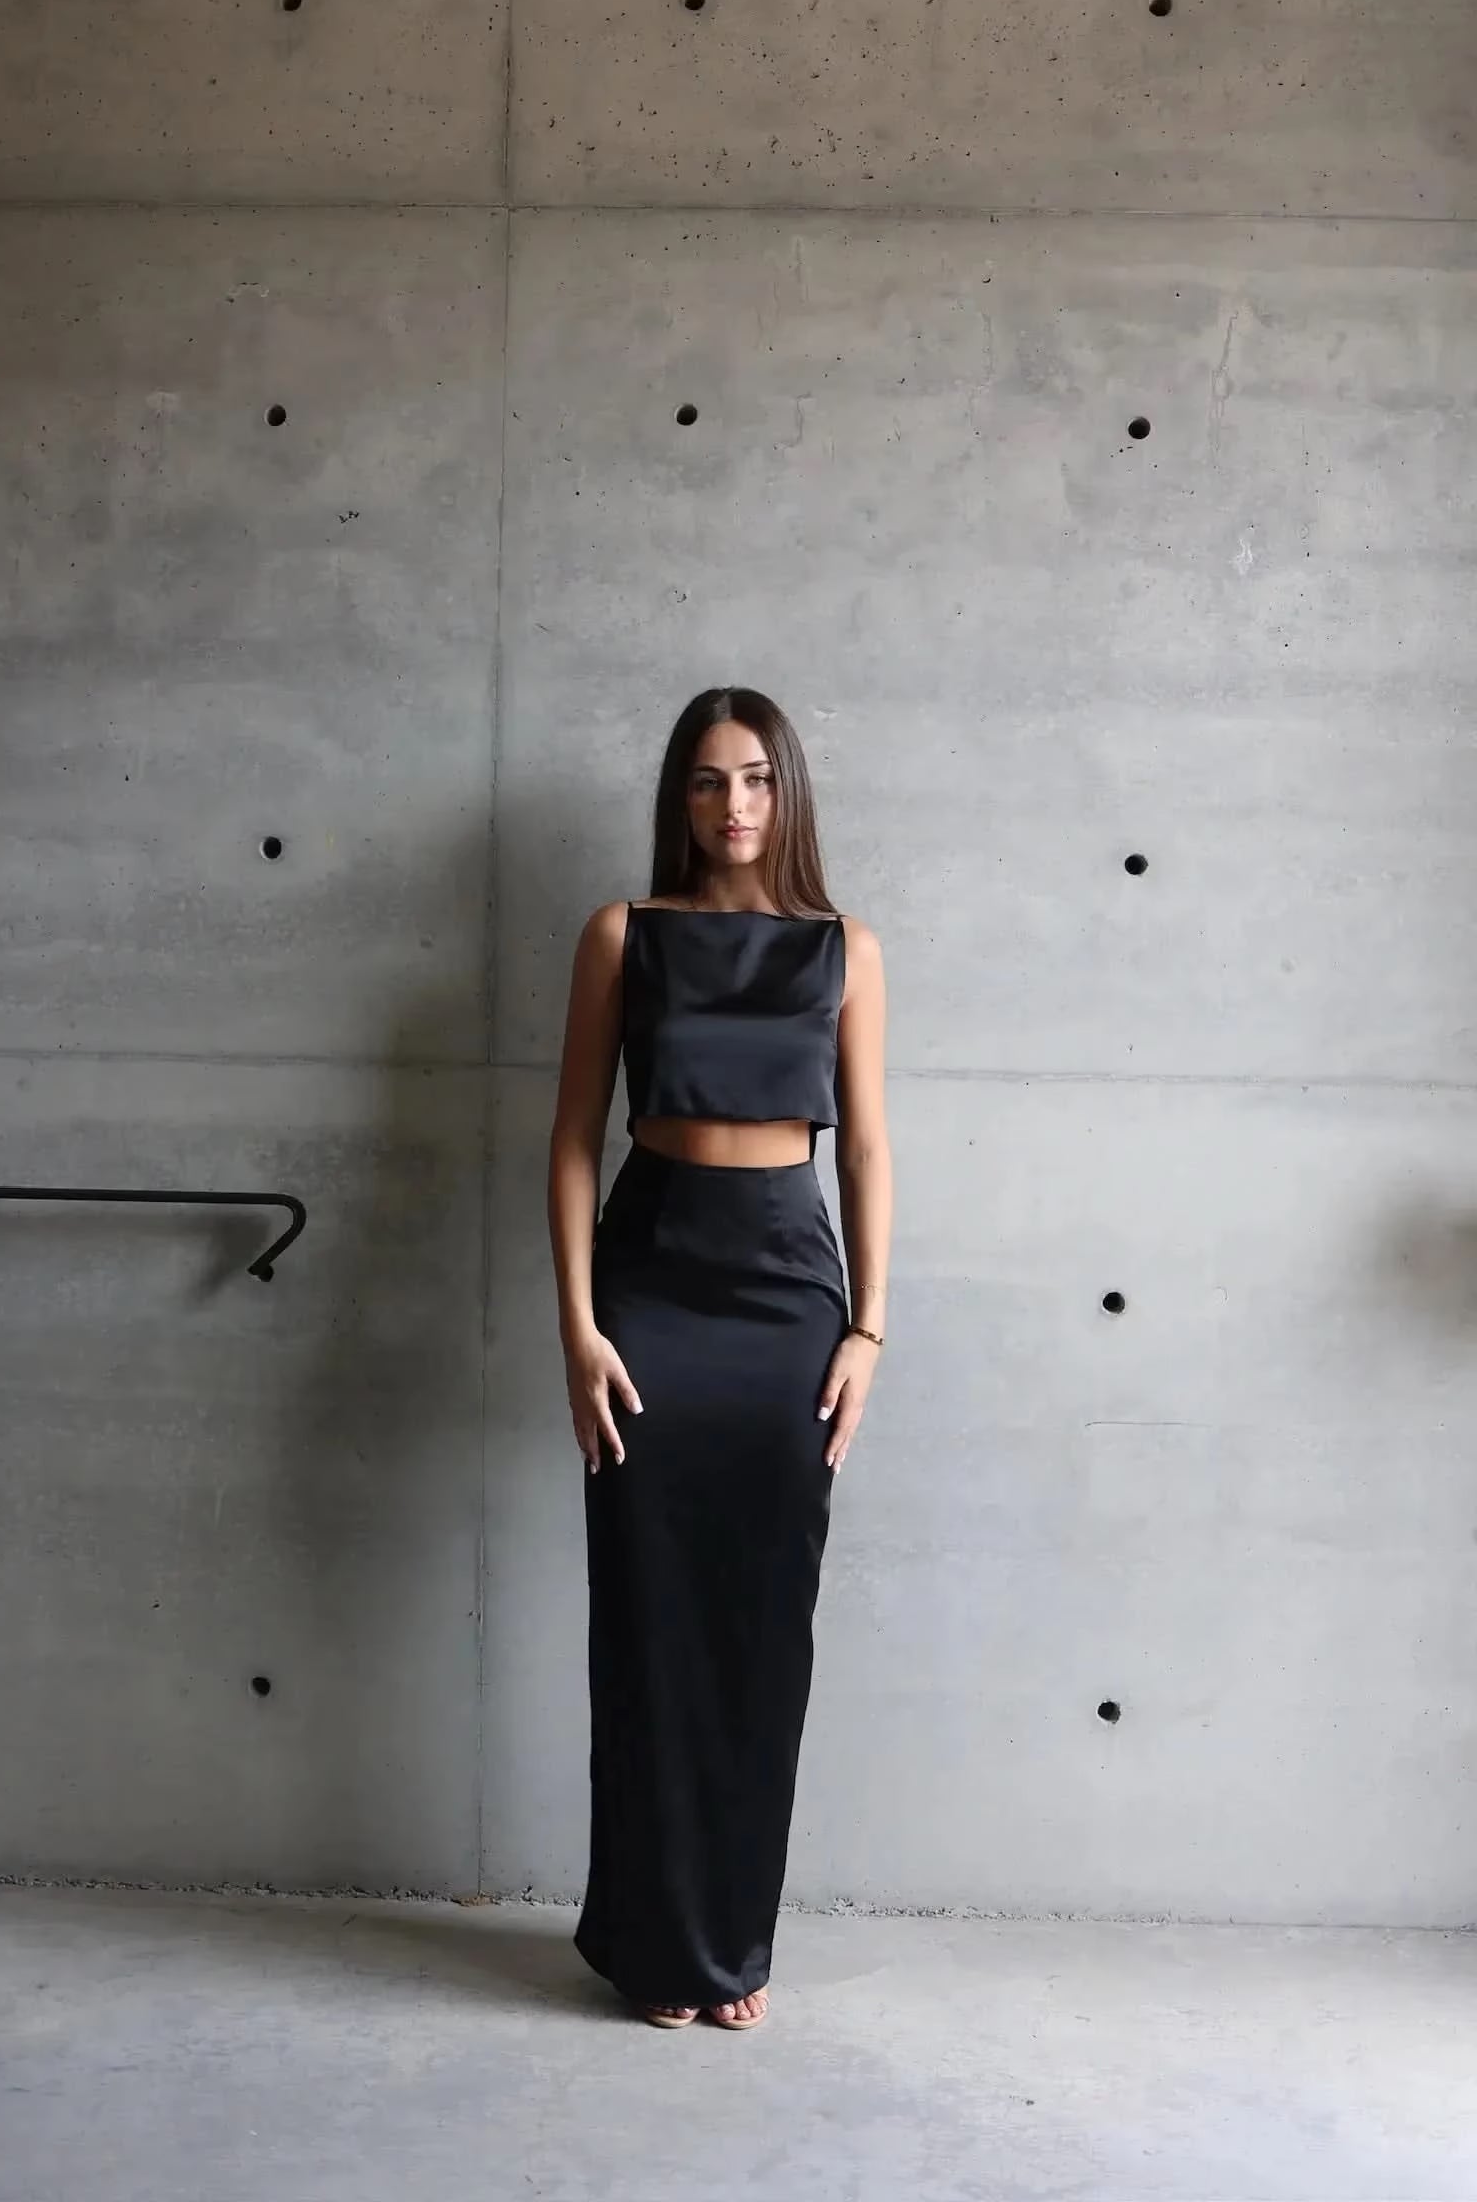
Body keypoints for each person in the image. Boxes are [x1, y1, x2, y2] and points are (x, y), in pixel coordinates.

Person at [546, 686, 892, 2032]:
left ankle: (730, 1945)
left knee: (759, 1634)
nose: (732, 807)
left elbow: (864, 1149)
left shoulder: (845, 949)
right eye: (704, 782)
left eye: (754, 779)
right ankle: (650, 1945)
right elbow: (575, 1137)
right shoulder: (622, 938)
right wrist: (577, 1327)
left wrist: (868, 1328)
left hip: (788, 1296)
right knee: (645, 1622)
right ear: (676, 799)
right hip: (653, 1286)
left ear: (787, 790)